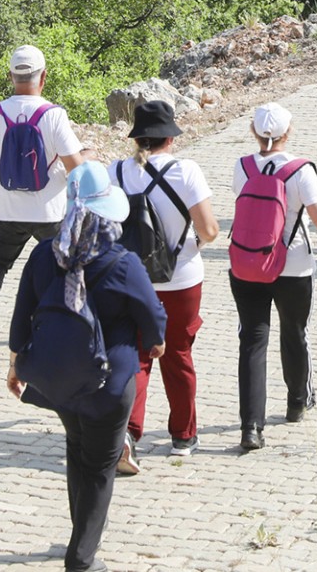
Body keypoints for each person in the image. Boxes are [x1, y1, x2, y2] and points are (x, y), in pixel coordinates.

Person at [8, 161, 165, 572]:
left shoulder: (45, 254)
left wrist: (15, 365)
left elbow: (22, 315)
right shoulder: (123, 262)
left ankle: (83, 534)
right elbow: (152, 314)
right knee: (99, 465)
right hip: (109, 383)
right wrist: (156, 342)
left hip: (58, 380)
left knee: (78, 451)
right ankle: (82, 558)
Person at [227, 104, 317, 450]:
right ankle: (296, 401)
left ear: (253, 132)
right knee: (294, 332)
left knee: (252, 342)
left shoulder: (241, 167)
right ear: (289, 132)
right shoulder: (300, 170)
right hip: (293, 265)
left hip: (248, 265)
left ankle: (251, 428)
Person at [114, 101, 218, 469]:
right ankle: (183, 437)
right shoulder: (186, 171)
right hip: (181, 278)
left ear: (137, 138)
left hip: (131, 277)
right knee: (177, 355)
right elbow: (208, 230)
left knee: (137, 356)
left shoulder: (118, 172)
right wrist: (194, 242)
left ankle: (127, 434)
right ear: (169, 138)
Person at [0, 45, 87, 356]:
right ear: (43, 77)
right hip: (50, 211)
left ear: (11, 76)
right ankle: (55, 325)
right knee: (63, 264)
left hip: (7, 211)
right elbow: (75, 164)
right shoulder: (53, 115)